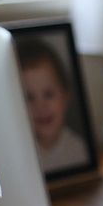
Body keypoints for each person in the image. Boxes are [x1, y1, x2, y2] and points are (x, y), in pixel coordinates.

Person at [17, 38, 87, 172]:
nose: (40, 106)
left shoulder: (80, 151)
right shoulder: (18, 152)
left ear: (66, 96)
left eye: (48, 94)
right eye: (29, 97)